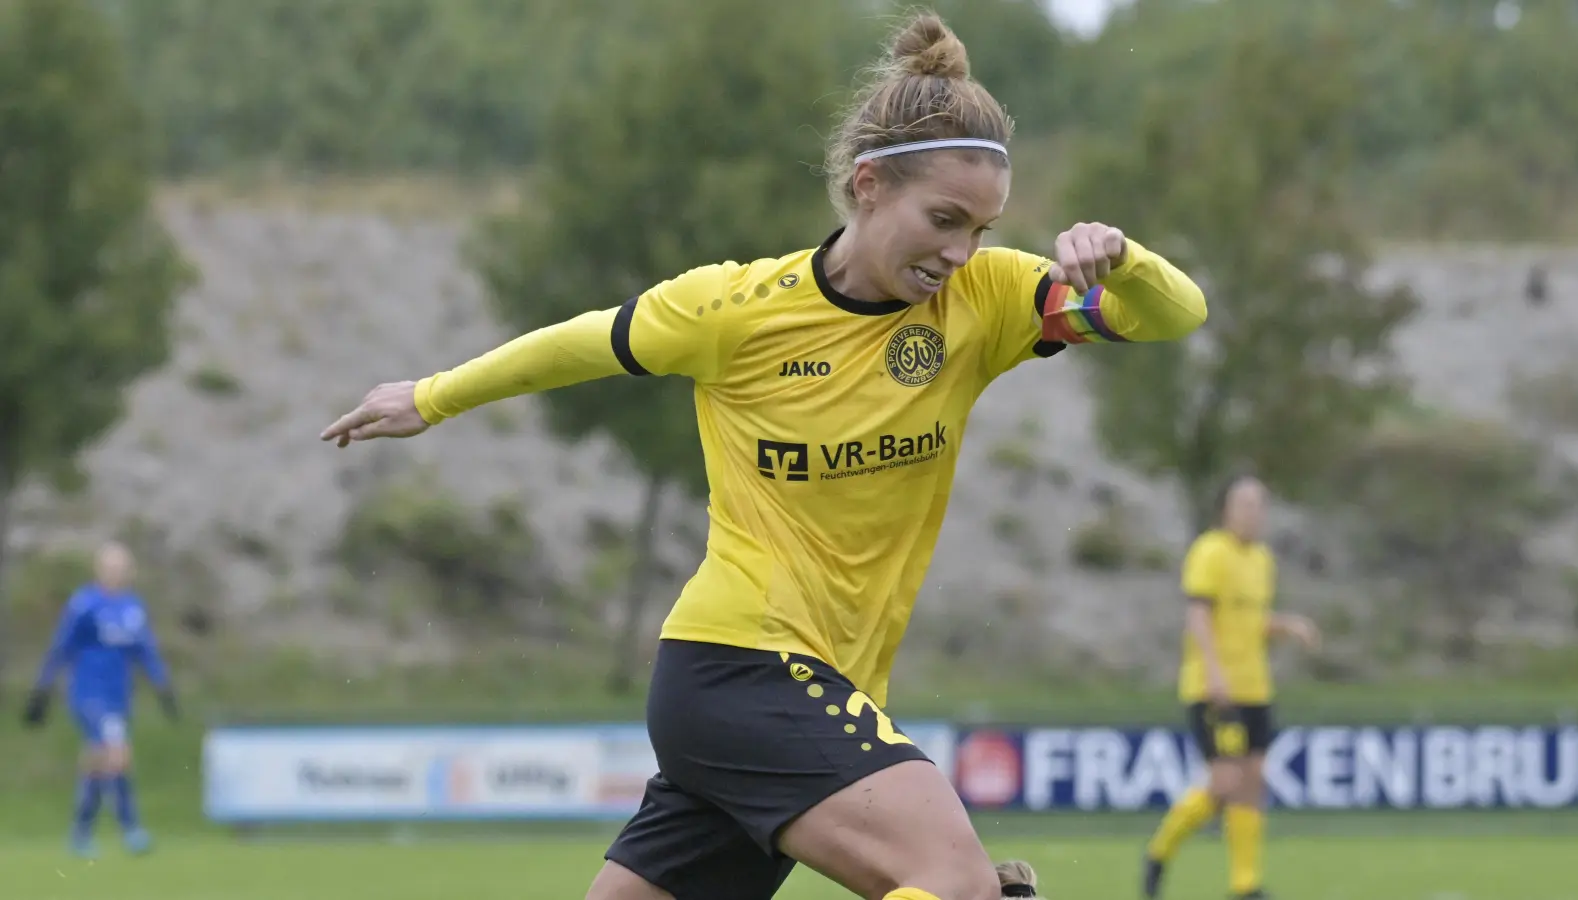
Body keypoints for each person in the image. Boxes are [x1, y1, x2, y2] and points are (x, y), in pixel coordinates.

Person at [321, 13, 1205, 900]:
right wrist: (430, 397)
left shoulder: (994, 300)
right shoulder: (735, 312)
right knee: (957, 884)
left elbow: (1173, 317)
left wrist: (1125, 263)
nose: (960, 252)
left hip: (797, 694)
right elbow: (580, 344)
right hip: (745, 664)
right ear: (868, 185)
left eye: (981, 227)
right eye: (943, 220)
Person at [1142, 476, 1320, 900]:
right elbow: (1199, 615)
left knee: (1253, 783)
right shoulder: (1210, 551)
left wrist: (1287, 626)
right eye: (1245, 504)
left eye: (1259, 505)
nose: (1253, 513)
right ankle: (1158, 852)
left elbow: (1250, 622)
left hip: (1256, 687)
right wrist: (1214, 671)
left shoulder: (1261, 559)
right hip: (1214, 686)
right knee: (1223, 783)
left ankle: (1245, 885)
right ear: (1226, 509)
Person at [22, 541, 179, 858]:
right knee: (118, 752)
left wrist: (164, 687)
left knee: (97, 762)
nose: (116, 573)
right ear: (99, 569)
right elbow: (61, 647)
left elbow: (144, 652)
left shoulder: (133, 608)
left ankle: (80, 832)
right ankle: (131, 828)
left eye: (121, 567)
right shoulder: (85, 604)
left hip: (118, 696)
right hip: (87, 694)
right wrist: (42, 688)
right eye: (110, 567)